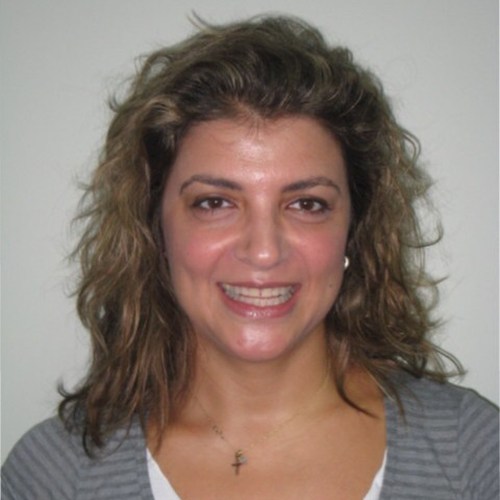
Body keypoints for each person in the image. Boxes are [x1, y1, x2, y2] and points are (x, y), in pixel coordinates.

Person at [2, 15, 498, 500]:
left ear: (354, 230)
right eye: (215, 203)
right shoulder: (55, 475)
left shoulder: (472, 455)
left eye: (307, 204)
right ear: (154, 227)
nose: (263, 251)